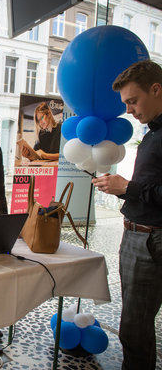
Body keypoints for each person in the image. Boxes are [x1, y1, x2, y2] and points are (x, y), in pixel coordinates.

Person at [91, 59, 162, 370]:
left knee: (133, 329)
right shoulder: (153, 131)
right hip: (144, 235)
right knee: (138, 324)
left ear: (156, 89)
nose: (130, 111)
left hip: (150, 240)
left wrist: (129, 188)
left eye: (133, 101)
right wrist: (121, 189)